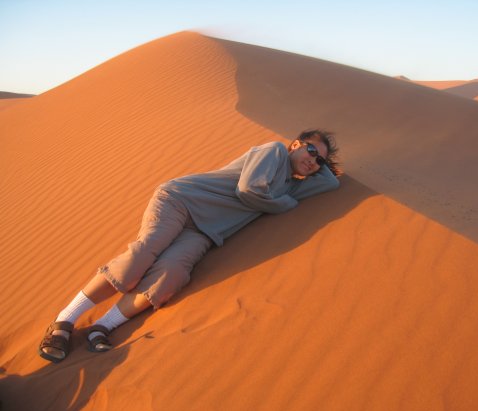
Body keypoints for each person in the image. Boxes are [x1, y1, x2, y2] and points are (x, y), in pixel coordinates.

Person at [38, 129, 341, 363]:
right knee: (142, 255)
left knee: (171, 275)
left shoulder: (293, 185)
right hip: (181, 200)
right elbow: (248, 190)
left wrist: (315, 169)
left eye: (319, 160)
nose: (313, 160)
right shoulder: (273, 151)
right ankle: (64, 320)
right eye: (310, 150)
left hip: (204, 232)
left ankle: (102, 327)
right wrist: (283, 204)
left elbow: (332, 184)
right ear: (295, 144)